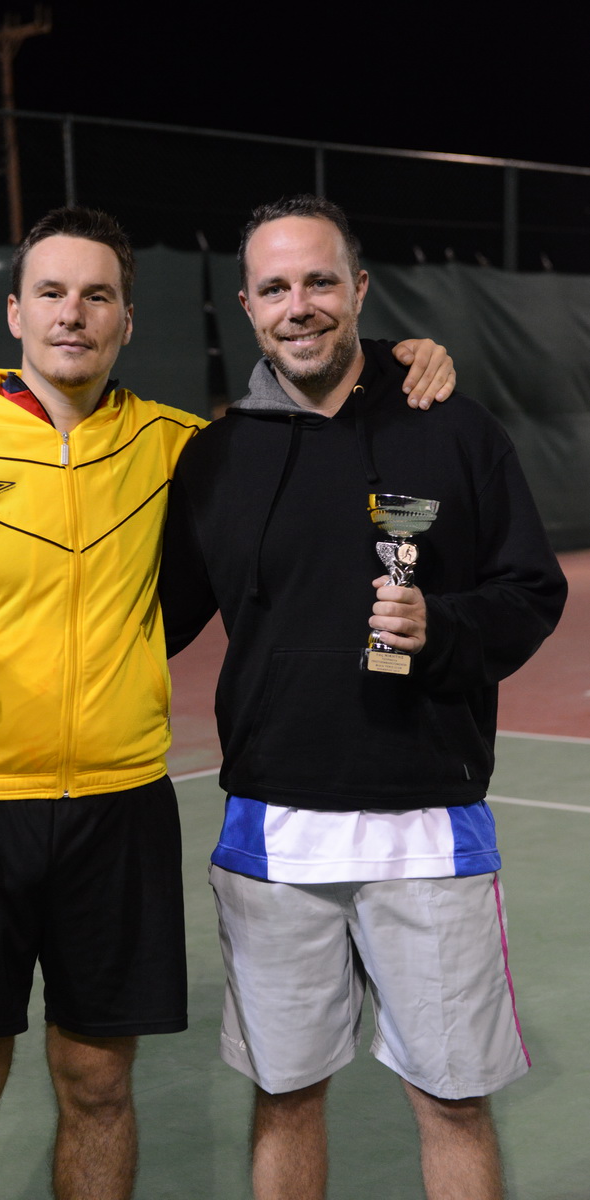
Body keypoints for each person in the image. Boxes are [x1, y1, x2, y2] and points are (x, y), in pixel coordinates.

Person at [0, 204, 456, 1200]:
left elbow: (309, 388)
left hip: (121, 806)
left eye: (98, 296)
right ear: (15, 312)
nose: (72, 315)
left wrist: (397, 356)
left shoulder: (180, 446)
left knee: (97, 1086)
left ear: (127, 320)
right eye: (51, 293)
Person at [158, 195, 567, 1200]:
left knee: (453, 1103)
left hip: (425, 824)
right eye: (274, 287)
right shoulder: (213, 458)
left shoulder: (453, 428)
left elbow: (530, 591)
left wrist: (444, 629)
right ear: (247, 307)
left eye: (319, 281)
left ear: (360, 289)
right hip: (272, 828)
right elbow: (152, 619)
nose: (298, 305)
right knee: (285, 1097)